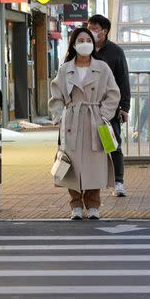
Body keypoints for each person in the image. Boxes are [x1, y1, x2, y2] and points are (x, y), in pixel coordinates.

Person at [49, 27, 120, 220]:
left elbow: (113, 93)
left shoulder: (102, 68)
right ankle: (76, 206)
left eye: (87, 39)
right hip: (72, 120)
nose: (84, 43)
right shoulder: (65, 69)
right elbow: (56, 96)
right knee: (71, 164)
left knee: (94, 163)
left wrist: (103, 114)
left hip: (95, 120)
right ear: (73, 44)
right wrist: (60, 117)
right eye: (80, 40)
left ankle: (94, 205)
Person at [87, 14, 131, 197]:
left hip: (108, 108)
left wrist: (124, 107)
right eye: (89, 27)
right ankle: (89, 182)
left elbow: (123, 79)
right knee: (87, 146)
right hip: (86, 107)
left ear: (104, 31)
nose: (90, 32)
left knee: (112, 144)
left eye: (94, 28)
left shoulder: (115, 52)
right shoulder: (82, 49)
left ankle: (118, 182)